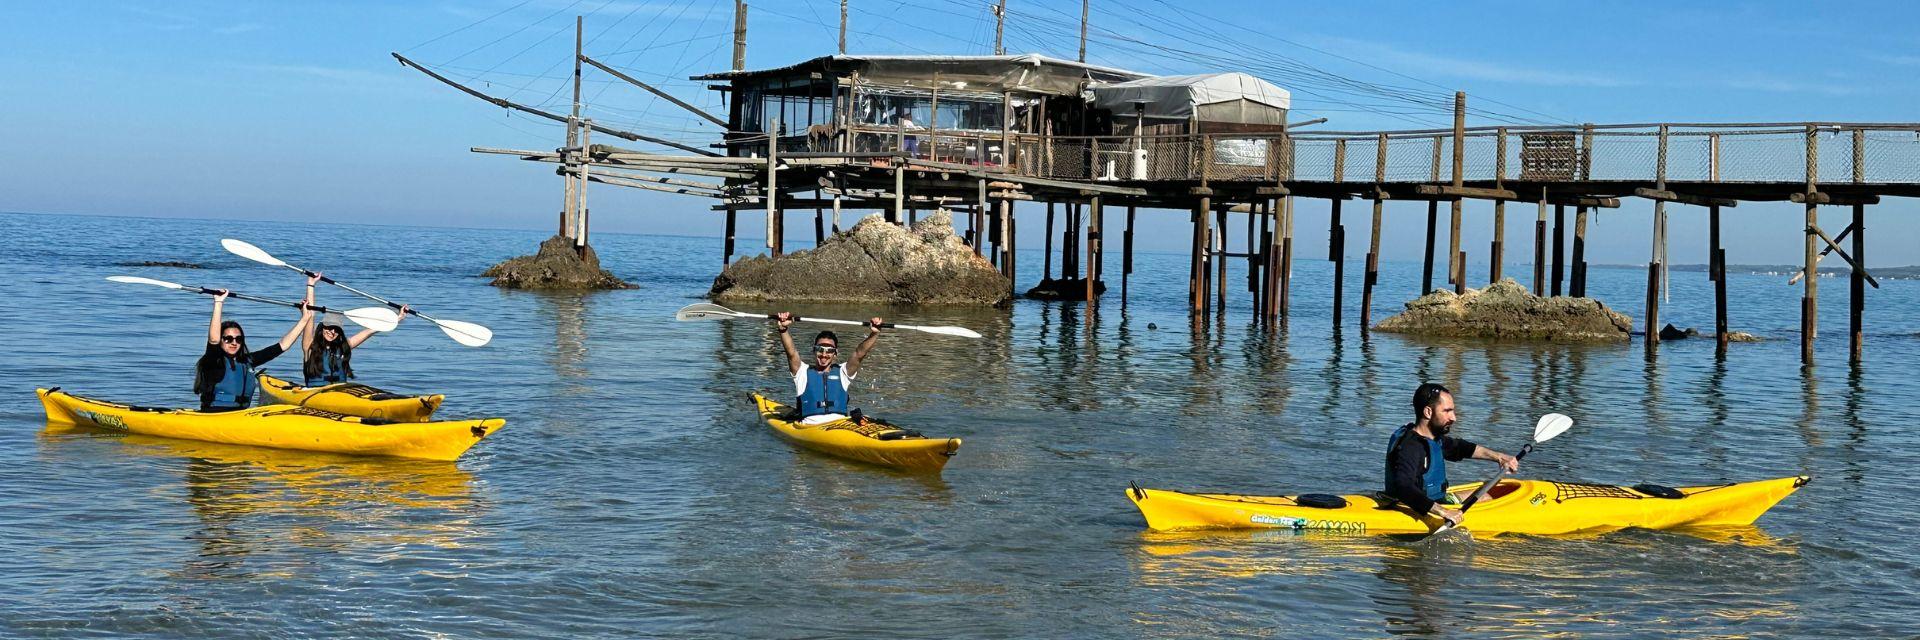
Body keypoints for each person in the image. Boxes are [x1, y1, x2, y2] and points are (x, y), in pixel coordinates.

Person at [1384, 383, 1521, 527]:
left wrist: (1499, 457)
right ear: (1428, 412)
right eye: (1447, 411)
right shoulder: (1410, 447)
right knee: (1487, 497)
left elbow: (1462, 448)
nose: (1453, 417)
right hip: (1417, 507)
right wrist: (1444, 512)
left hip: (1435, 500)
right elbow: (1403, 487)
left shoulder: (1432, 439)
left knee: (1487, 488)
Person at [193, 276, 315, 411]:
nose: (234, 343)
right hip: (214, 414)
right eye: (228, 339)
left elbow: (282, 346)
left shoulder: (247, 361)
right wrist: (219, 302)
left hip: (239, 415)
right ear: (221, 340)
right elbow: (214, 339)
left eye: (238, 339)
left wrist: (305, 318)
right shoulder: (213, 361)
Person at [298, 274, 404, 387]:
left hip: (341, 392)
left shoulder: (343, 347)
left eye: (336, 329)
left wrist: (396, 318)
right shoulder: (309, 345)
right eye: (329, 327)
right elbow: (310, 315)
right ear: (322, 327)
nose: (332, 331)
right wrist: (311, 284)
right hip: (315, 393)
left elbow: (371, 330)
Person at [775, 312, 882, 420]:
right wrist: (783, 329)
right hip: (810, 427)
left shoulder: (843, 373)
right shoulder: (801, 372)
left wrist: (874, 333)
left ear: (835, 354)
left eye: (829, 351)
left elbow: (859, 354)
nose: (824, 355)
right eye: (820, 349)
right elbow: (791, 353)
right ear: (814, 350)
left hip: (841, 426)